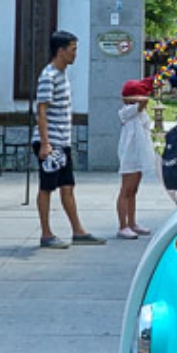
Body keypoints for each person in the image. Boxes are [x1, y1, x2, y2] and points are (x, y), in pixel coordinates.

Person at [34, 31, 105, 248]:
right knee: (46, 187)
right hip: (50, 143)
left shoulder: (61, 74)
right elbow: (41, 111)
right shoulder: (48, 76)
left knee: (67, 186)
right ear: (61, 51)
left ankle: (78, 231)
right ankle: (46, 234)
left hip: (62, 142)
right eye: (73, 49)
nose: (75, 54)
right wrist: (45, 144)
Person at [116, 77, 157, 239]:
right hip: (129, 155)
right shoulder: (127, 111)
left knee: (133, 191)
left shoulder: (139, 112)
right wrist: (134, 97)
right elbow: (142, 102)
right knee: (126, 190)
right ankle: (122, 225)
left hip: (138, 154)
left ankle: (132, 222)